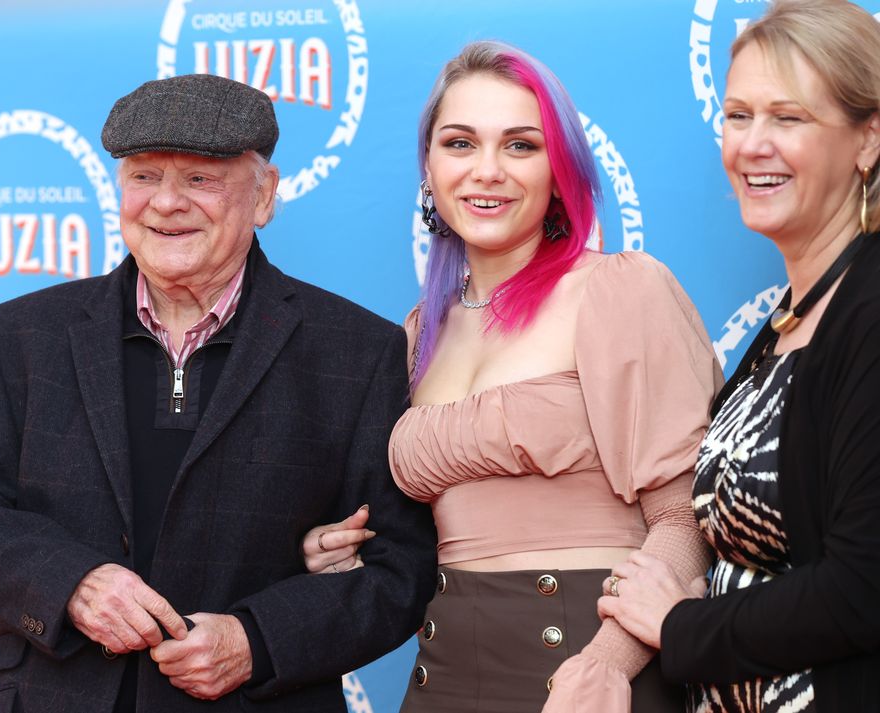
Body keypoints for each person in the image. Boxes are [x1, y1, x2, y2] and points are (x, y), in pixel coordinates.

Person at [0, 73, 437, 713]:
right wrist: (71, 585)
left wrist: (256, 641)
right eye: (144, 176)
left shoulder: (355, 351)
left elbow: (399, 571)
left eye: (200, 180)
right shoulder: (19, 337)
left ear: (265, 195)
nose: (165, 203)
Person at [306, 40, 722, 712]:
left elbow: (684, 517)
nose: (487, 171)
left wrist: (607, 665)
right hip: (442, 680)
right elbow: (421, 541)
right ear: (429, 169)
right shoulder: (418, 333)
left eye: (521, 145)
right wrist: (347, 558)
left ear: (561, 170)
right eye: (461, 143)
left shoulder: (621, 291)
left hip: (591, 681)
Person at [596, 1, 880, 711]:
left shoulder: (871, 312)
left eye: (789, 118)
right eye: (738, 115)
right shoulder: (788, 324)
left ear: (868, 140)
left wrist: (681, 624)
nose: (753, 144)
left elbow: (863, 588)